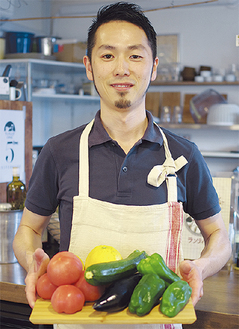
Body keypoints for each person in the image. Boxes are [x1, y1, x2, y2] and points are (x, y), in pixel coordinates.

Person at [13, 2, 231, 329]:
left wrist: (201, 266)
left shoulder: (184, 155)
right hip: (78, 320)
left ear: (153, 66)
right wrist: (34, 262)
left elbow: (219, 237)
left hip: (158, 320)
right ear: (89, 66)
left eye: (135, 55)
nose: (121, 68)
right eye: (107, 55)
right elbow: (28, 229)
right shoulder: (59, 151)